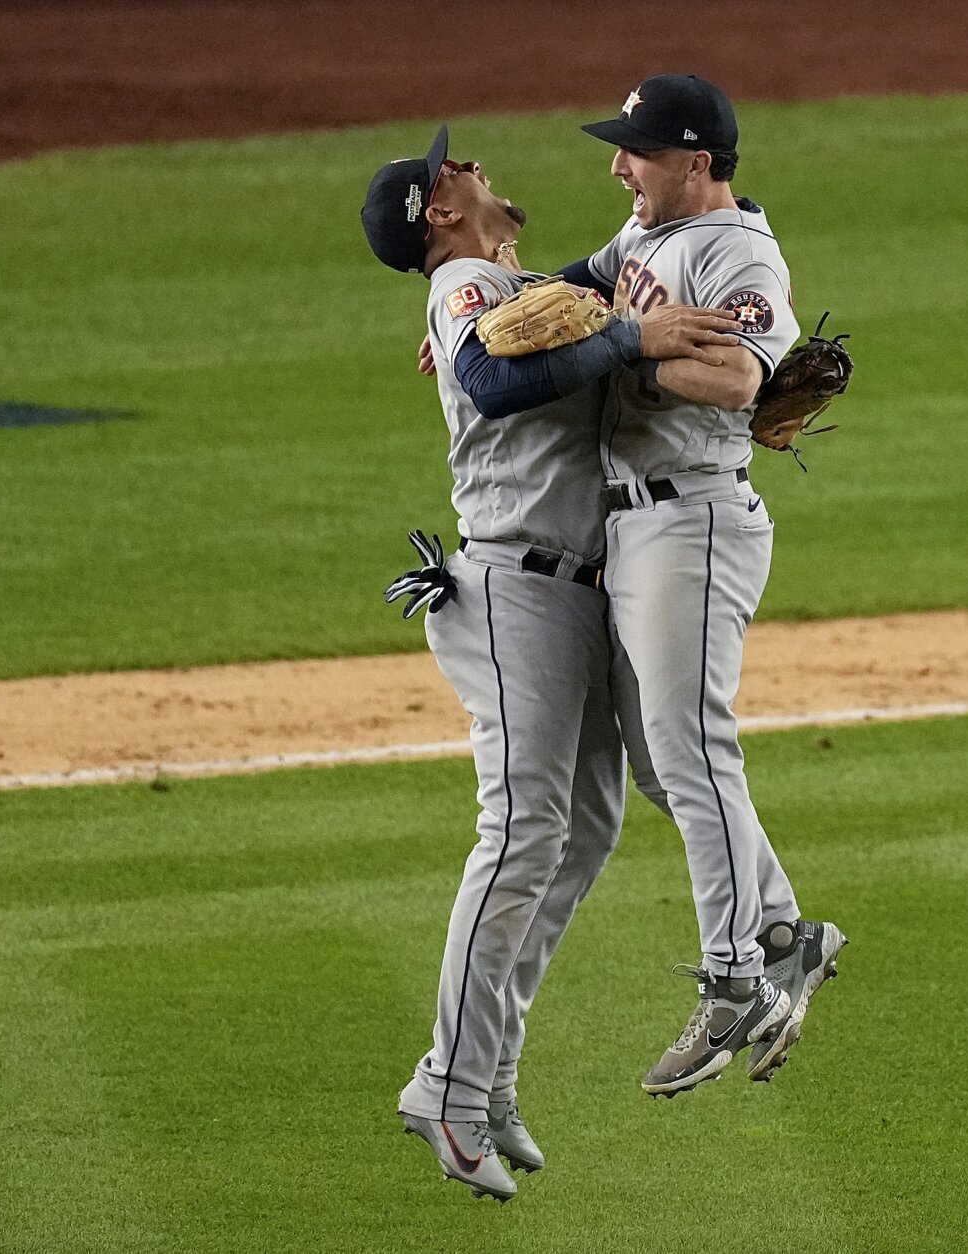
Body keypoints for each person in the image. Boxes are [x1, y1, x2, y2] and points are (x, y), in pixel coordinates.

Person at [361, 125, 743, 1201]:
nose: (477, 165)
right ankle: (446, 1084)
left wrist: (664, 267)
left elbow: (599, 281)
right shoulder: (469, 281)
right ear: (442, 212)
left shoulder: (508, 278)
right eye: (458, 169)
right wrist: (629, 340)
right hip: (514, 588)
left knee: (581, 828)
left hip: (567, 588)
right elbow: (488, 378)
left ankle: (484, 1074)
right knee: (523, 827)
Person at [558, 75, 848, 1098]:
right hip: (634, 524)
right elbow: (568, 292)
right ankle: (781, 932)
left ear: (696, 160)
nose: (616, 164)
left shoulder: (738, 254)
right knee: (657, 760)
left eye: (634, 150)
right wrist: (481, 323)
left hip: (695, 520)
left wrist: (619, 351)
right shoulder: (639, 240)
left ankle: (734, 979)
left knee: (690, 747)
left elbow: (736, 380)